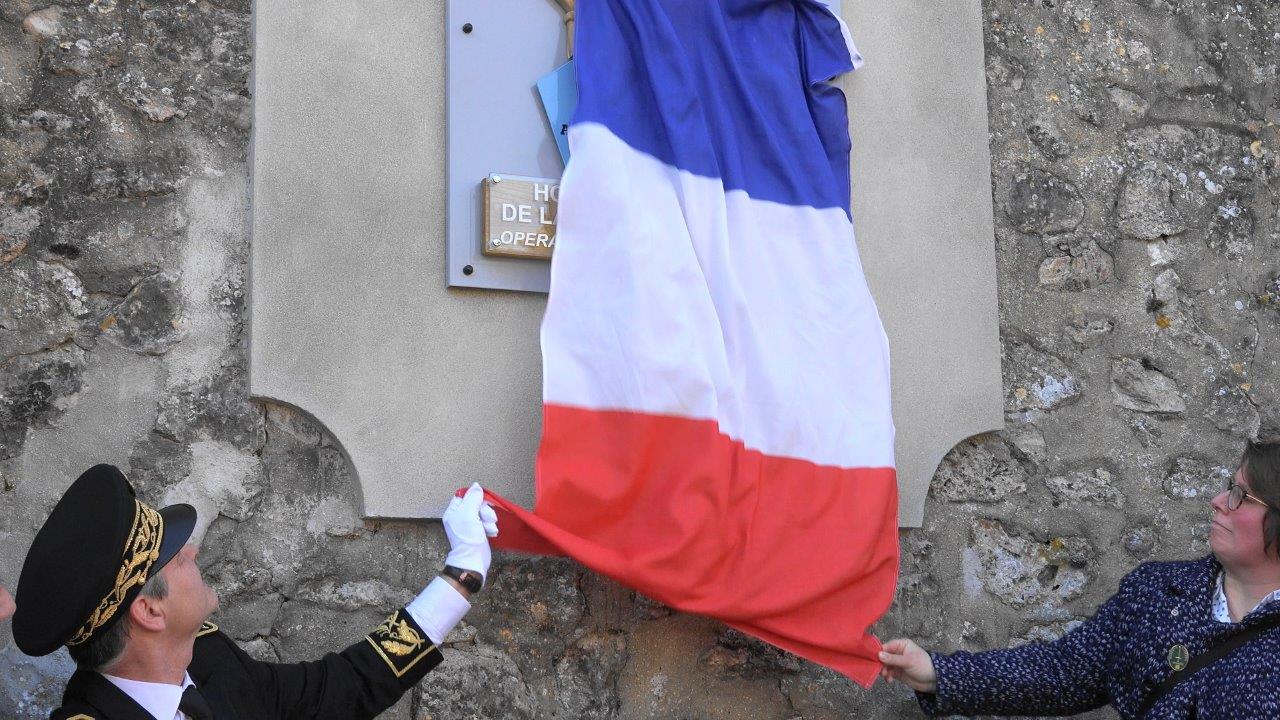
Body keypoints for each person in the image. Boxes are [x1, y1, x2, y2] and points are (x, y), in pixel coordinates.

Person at [12, 463, 499, 720]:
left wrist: (461, 574)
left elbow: (336, 691)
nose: (196, 552)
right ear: (150, 611)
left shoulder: (206, 660)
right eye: (179, 557)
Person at [879, 437, 1280, 718]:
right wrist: (937, 673)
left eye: (1240, 495)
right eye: (1229, 487)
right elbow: (1063, 671)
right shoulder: (1161, 591)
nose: (1218, 501)